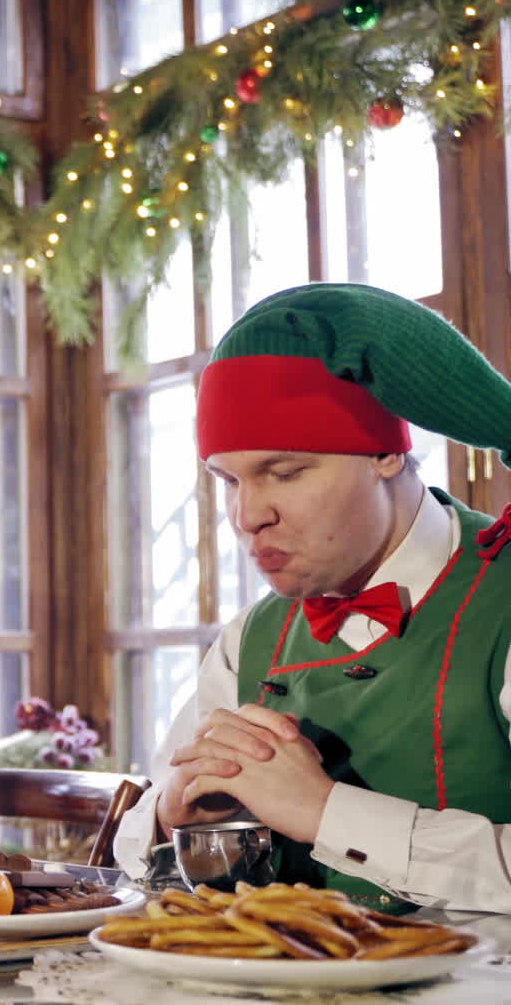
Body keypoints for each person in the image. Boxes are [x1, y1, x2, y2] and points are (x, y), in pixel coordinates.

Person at [113, 282, 511, 913]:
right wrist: (175, 813)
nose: (248, 516)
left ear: (385, 452)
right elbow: (136, 851)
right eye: (228, 480)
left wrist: (327, 813)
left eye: (286, 472)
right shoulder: (250, 639)